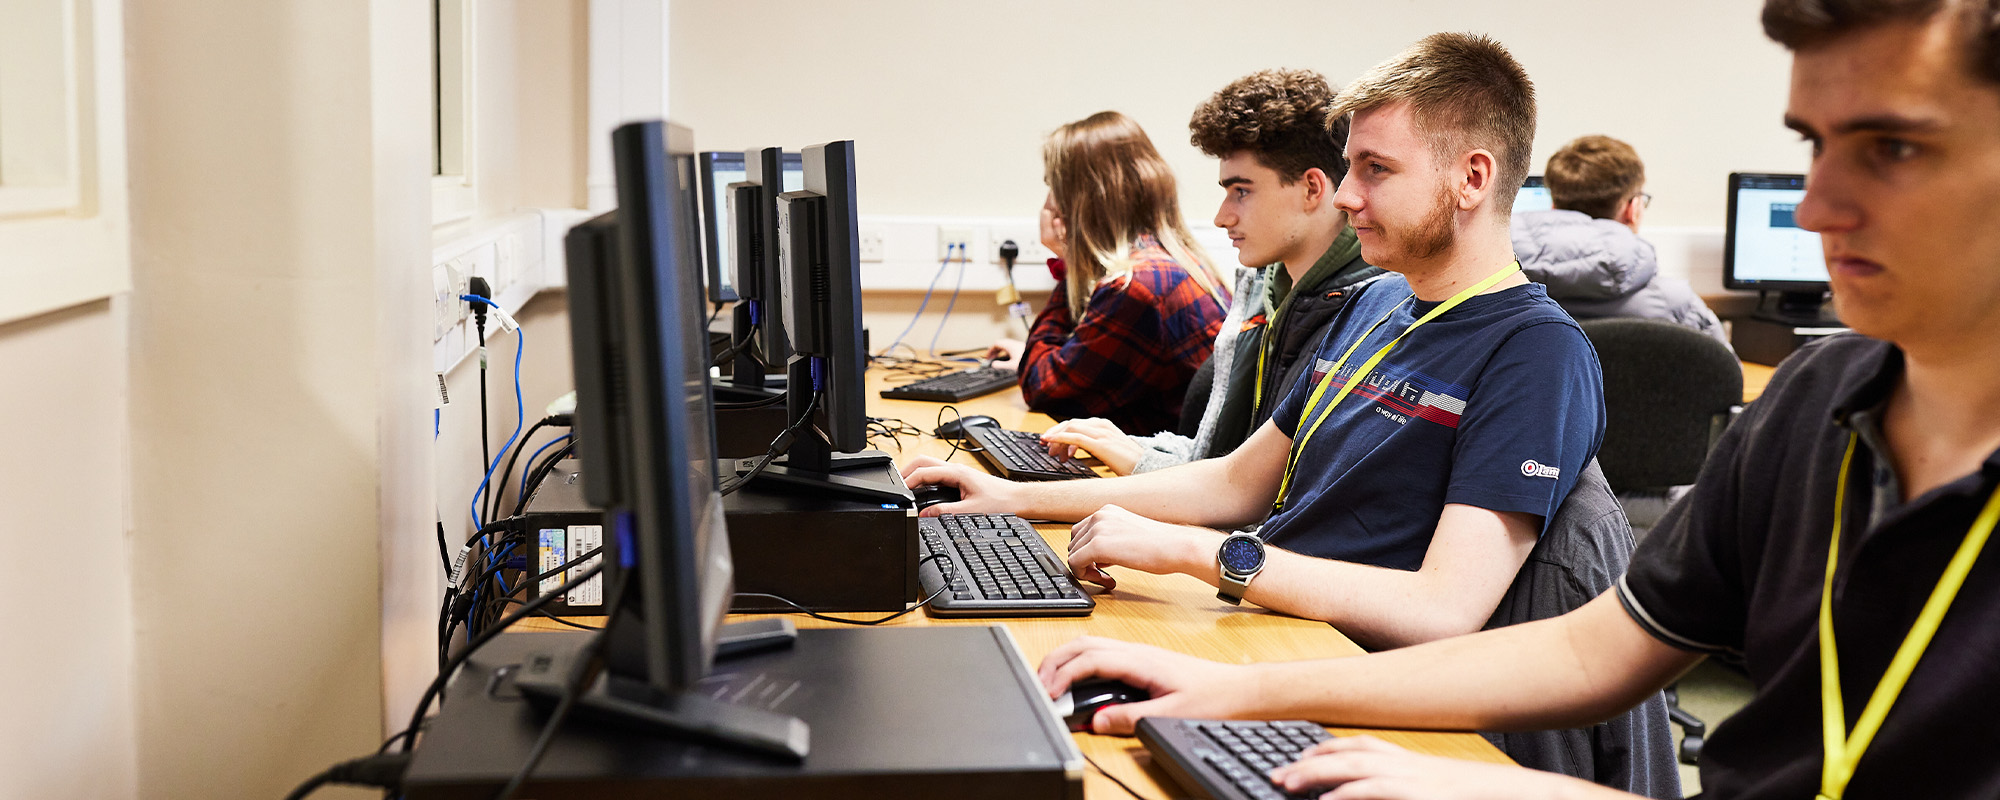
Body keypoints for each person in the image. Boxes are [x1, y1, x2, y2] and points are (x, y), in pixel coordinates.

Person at [1036, 1, 2000, 798]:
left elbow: (1448, 611)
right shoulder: (1816, 401)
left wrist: (1508, 787)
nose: (1820, 202)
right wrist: (1227, 694)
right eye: (1815, 144)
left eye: (1894, 148)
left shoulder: (1533, 349)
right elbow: (1592, 655)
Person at [1032, 68, 1385, 477]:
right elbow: (1216, 456)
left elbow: (1266, 498)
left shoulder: (1371, 313)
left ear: (1311, 189)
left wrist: (1138, 462)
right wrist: (1125, 444)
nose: (1221, 217)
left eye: (1242, 191)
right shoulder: (1264, 288)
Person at [984, 111, 1228, 436]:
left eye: (1053, 187)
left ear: (1083, 199)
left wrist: (1069, 257)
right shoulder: (1172, 261)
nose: (1048, 203)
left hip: (1159, 478)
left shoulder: (1136, 287)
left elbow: (1043, 391)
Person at [1511, 135, 1730, 345]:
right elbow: (1727, 378)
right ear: (1632, 209)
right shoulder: (1678, 306)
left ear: (1553, 206)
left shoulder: (1500, 294)